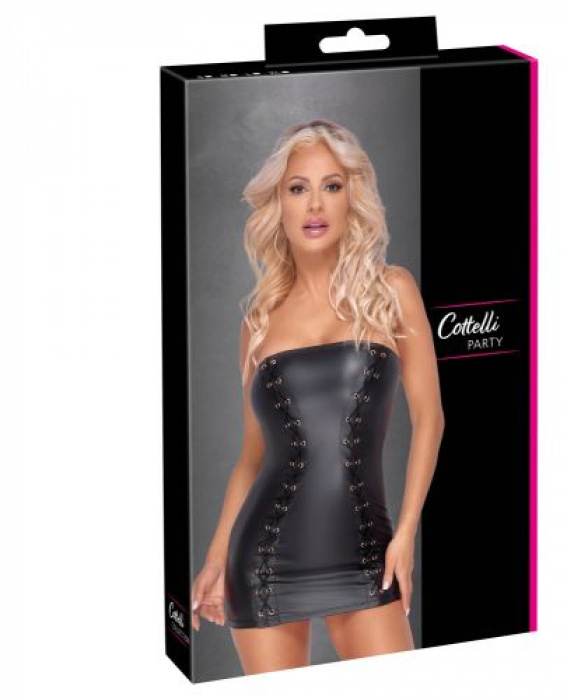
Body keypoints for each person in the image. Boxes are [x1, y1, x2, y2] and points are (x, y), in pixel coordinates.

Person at [191, 119, 444, 674]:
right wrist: (213, 560)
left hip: (366, 553)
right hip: (263, 560)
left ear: (353, 197)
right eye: (297, 188)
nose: (314, 205)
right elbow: (253, 459)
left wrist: (406, 534)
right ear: (278, 203)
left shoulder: (391, 290)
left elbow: (430, 419)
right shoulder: (259, 321)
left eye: (332, 186)